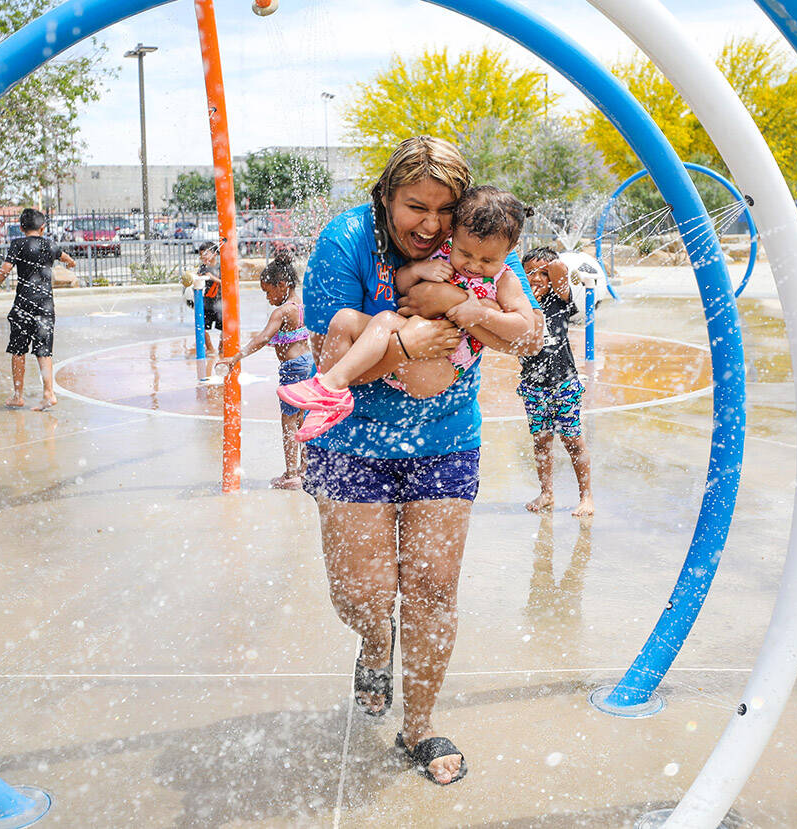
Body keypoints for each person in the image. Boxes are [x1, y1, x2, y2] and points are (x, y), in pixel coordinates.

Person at [301, 136, 542, 786]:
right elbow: (330, 363)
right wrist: (406, 342)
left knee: (433, 589)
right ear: (385, 197)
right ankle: (374, 644)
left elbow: (529, 336)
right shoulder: (346, 241)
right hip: (351, 439)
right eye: (415, 206)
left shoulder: (476, 239)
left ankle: (421, 722)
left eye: (444, 208)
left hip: (445, 439)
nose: (432, 225)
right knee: (364, 596)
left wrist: (458, 307)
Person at [278, 186, 535, 441]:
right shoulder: (442, 253)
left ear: (510, 249)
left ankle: (331, 386)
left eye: (486, 260)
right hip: (412, 343)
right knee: (347, 319)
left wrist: (481, 315)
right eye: (465, 253)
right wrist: (418, 271)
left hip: (442, 367)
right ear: (453, 234)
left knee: (387, 327)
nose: (474, 265)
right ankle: (329, 395)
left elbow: (525, 329)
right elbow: (400, 285)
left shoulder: (504, 280)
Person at [215, 251, 314, 489]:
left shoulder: (281, 312)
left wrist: (236, 357)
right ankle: (305, 470)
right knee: (305, 420)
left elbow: (263, 338)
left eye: (269, 292)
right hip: (309, 364)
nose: (268, 298)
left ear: (282, 285)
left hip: (291, 369)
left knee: (288, 421)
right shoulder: (302, 304)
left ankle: (291, 475)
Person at [519, 246, 594, 517]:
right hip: (532, 385)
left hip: (564, 382)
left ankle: (586, 497)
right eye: (529, 273)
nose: (536, 278)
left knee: (572, 439)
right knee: (541, 441)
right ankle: (547, 493)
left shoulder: (559, 299)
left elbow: (560, 271)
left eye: (542, 273)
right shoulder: (519, 304)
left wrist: (548, 270)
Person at [0, 208, 76, 411]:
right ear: (43, 228)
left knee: (18, 350)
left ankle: (18, 395)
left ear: (21, 227)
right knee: (44, 350)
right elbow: (68, 259)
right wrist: (70, 263)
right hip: (45, 305)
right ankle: (48, 394)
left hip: (23, 304)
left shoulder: (18, 244)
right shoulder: (50, 245)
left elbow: (6, 269)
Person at [195, 240, 224, 358]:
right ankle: (210, 348)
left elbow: (227, 284)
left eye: (206, 254)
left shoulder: (222, 268)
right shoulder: (202, 269)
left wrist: (212, 278)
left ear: (215, 254)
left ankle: (221, 348)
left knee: (225, 327)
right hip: (207, 303)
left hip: (220, 303)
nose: (203, 257)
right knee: (202, 327)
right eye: (201, 255)